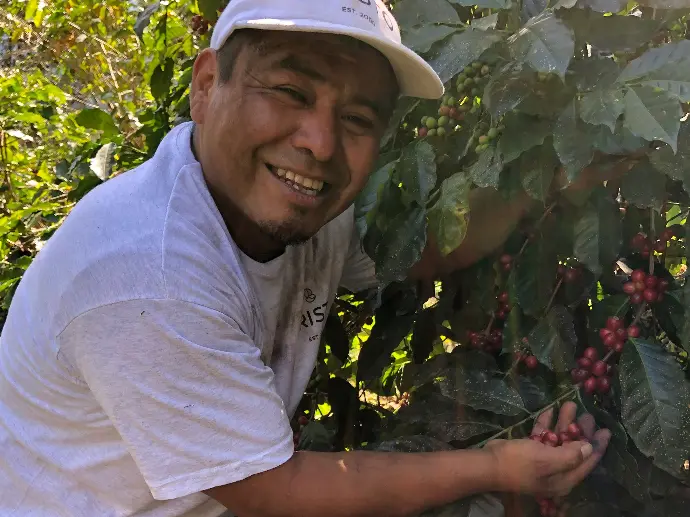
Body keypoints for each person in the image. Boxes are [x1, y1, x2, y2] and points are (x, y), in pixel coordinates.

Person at [0, 1, 616, 516]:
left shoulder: (301, 210)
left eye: (355, 118)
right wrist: (495, 467)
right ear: (207, 86)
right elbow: (275, 490)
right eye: (291, 90)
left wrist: (548, 189)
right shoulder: (146, 272)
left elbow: (421, 254)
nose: (319, 143)